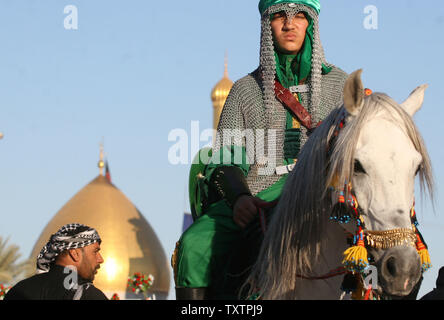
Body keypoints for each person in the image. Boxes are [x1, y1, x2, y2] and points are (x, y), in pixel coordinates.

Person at [172, 0, 348, 300]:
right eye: (280, 16)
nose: (289, 25)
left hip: (320, 195)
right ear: (268, 25)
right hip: (258, 194)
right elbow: (226, 158)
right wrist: (240, 197)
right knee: (194, 244)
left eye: (298, 17)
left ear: (311, 23)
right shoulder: (244, 90)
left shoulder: (340, 85)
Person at [5, 223, 107, 300]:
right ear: (75, 254)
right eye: (95, 251)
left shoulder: (21, 290)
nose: (100, 259)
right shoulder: (88, 295)